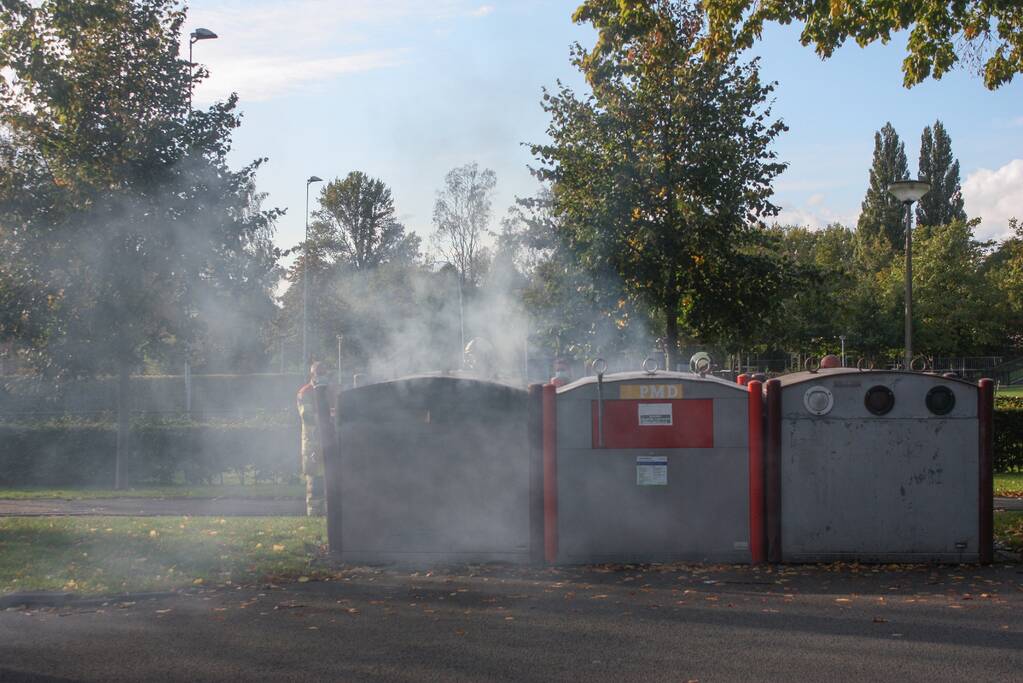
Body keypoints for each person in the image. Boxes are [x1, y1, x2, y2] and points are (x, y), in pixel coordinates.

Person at [297, 362, 329, 516]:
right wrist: (326, 417)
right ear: (312, 374)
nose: (322, 376)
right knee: (314, 483)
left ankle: (329, 514)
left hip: (328, 441)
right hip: (313, 443)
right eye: (319, 373)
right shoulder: (305, 392)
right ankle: (314, 514)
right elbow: (307, 416)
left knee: (329, 481)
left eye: (324, 372)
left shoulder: (330, 390)